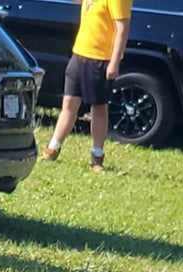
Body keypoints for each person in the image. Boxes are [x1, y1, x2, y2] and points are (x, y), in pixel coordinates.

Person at [42, 0, 131, 171]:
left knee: (98, 107)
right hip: (80, 53)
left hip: (100, 58)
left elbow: (122, 28)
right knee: (69, 102)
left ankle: (97, 157)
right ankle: (52, 148)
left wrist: (114, 62)